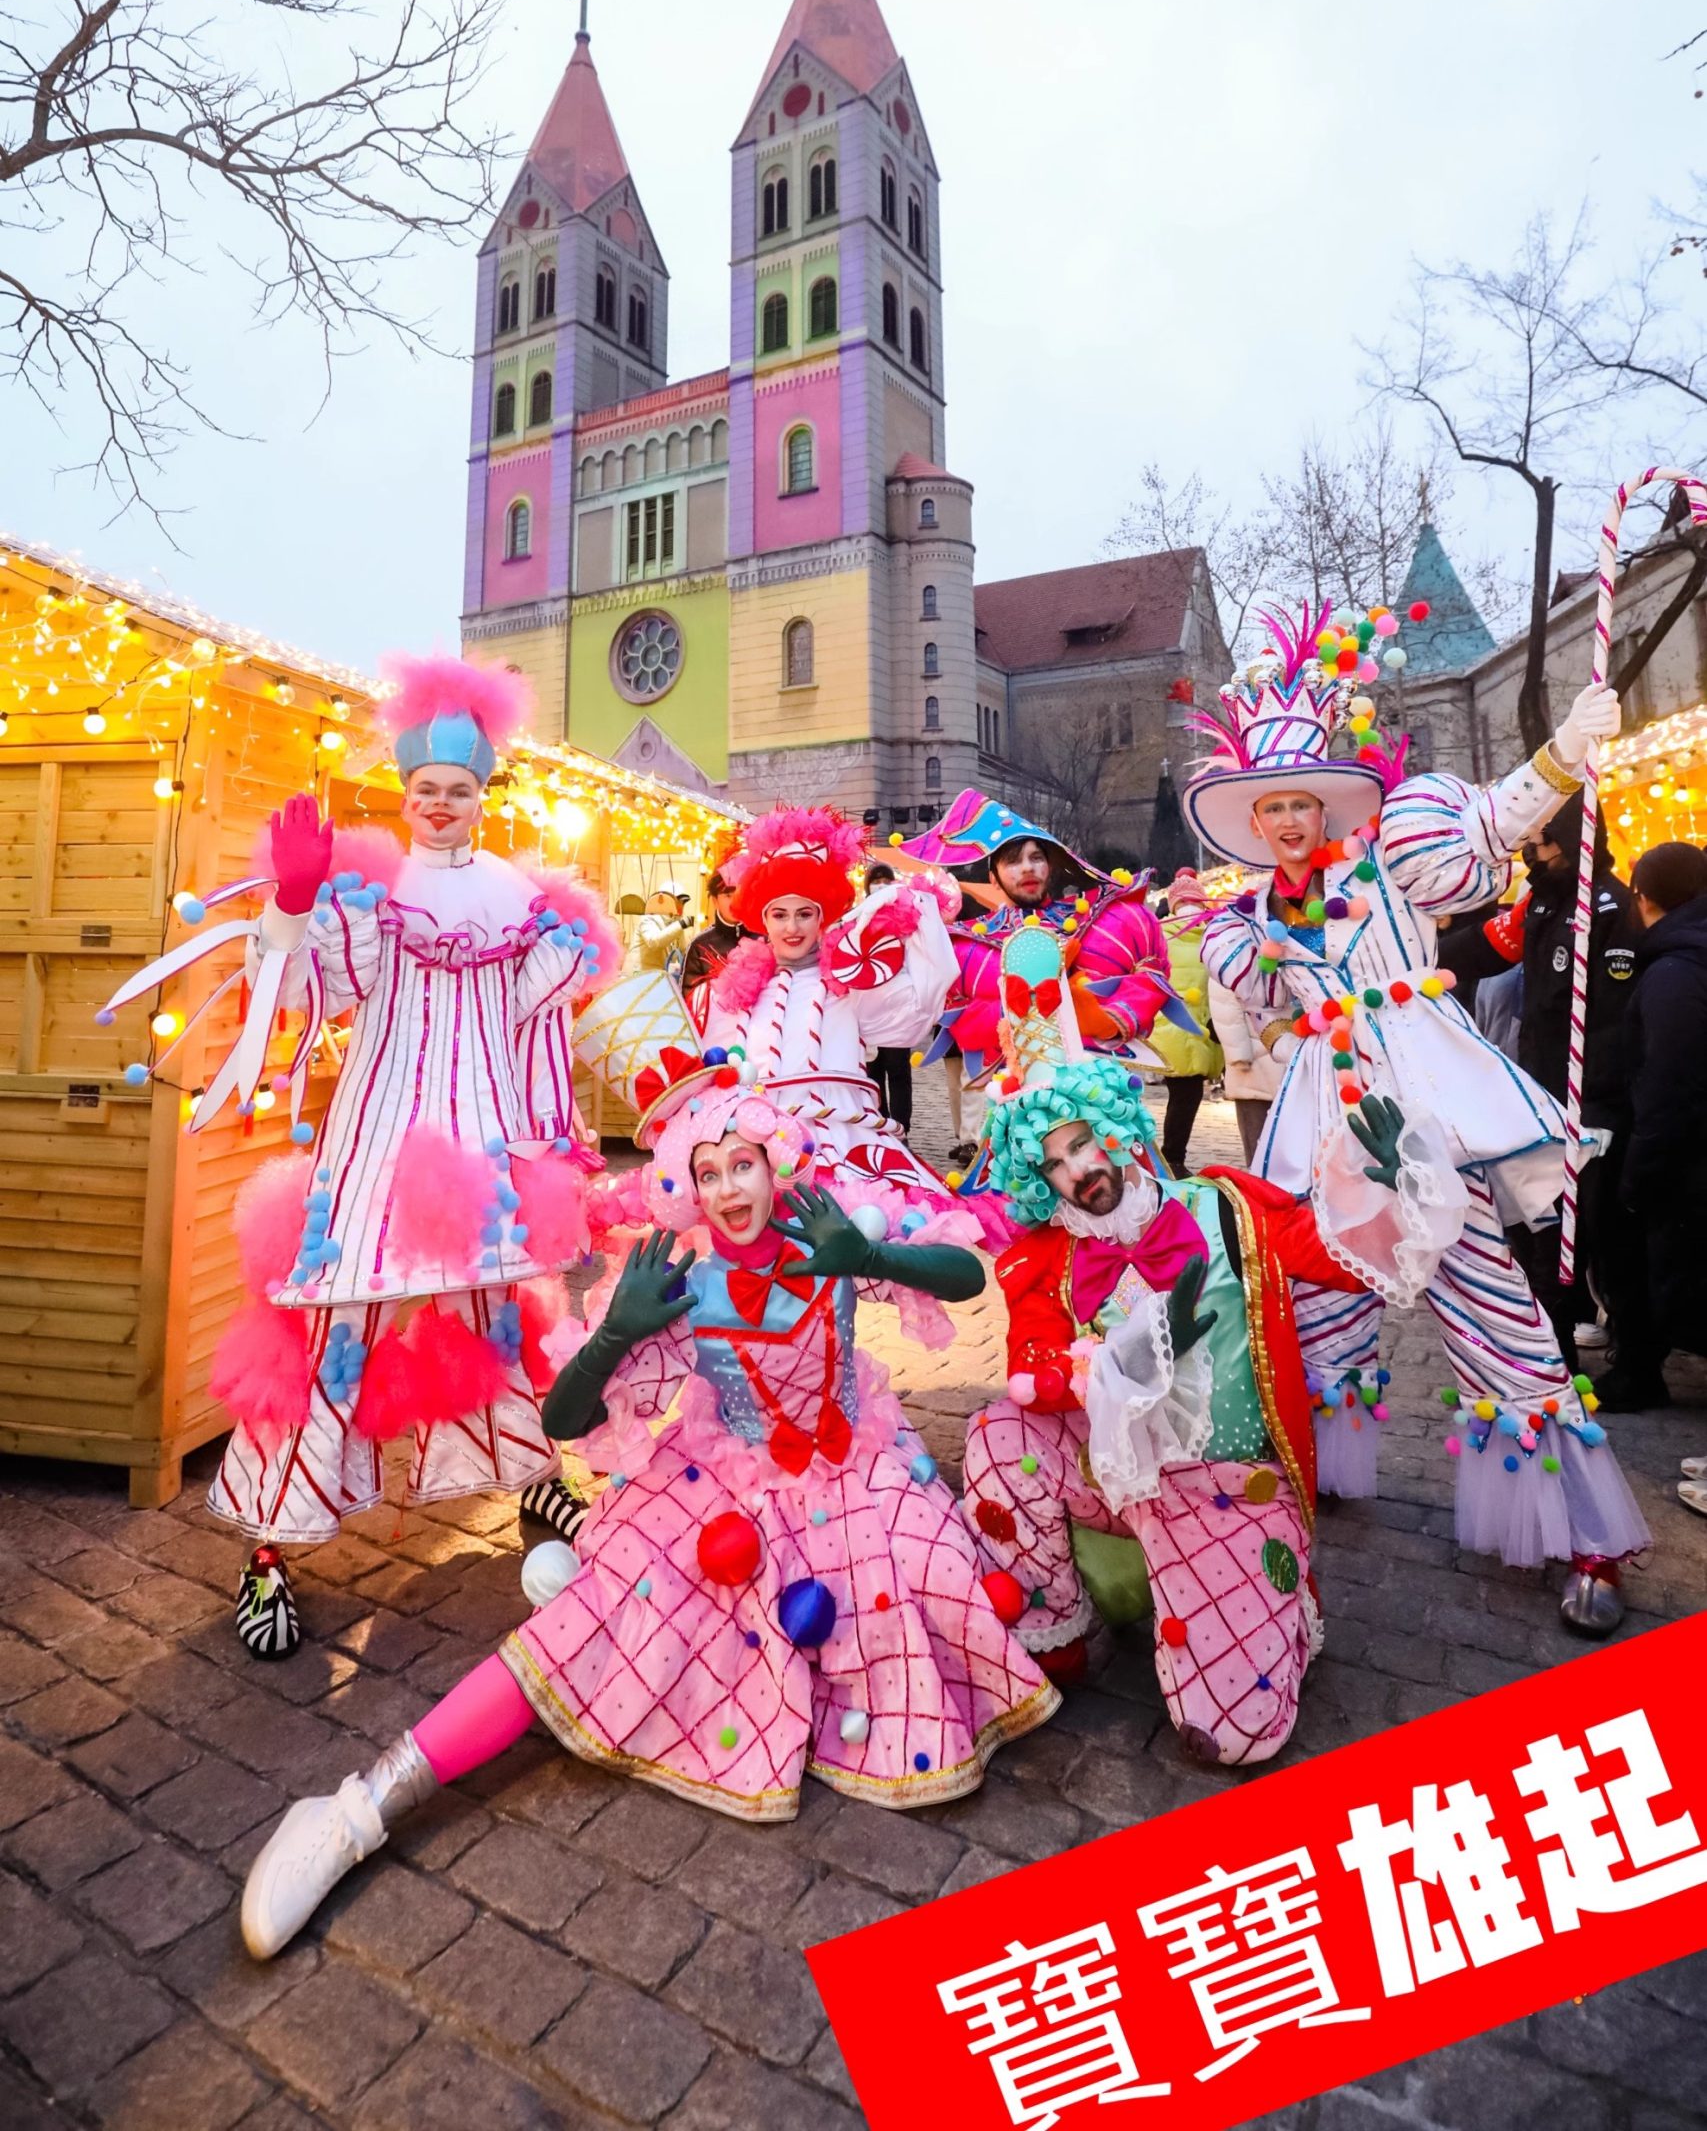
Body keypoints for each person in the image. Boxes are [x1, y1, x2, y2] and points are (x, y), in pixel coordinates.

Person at [237, 1082, 1058, 1957]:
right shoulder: (688, 1284)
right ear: (690, 1191)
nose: (731, 1189)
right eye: (709, 1174)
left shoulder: (832, 1225)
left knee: (925, 1587)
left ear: (776, 1167)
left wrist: (870, 1258)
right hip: (724, 1493)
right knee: (594, 1623)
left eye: (744, 1164)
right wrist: (612, 1336)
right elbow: (566, 1425)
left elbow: (968, 1276)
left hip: (858, 1473)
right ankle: (361, 1807)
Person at [99, 658, 611, 1655]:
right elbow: (308, 990)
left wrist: (575, 947)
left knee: (500, 1323)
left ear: (482, 795)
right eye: (427, 790)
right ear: (407, 794)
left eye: (461, 791)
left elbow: (540, 1004)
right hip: (378, 1152)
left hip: (488, 1154)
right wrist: (294, 901)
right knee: (332, 1336)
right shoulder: (374, 894)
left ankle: (539, 1488)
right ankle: (266, 1555)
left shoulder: (515, 894)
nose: (442, 805)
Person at [1192, 602, 1650, 1632]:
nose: (1291, 823)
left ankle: (1587, 1533)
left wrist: (1560, 757)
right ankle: (1308, 1479)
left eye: (1305, 803)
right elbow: (1260, 1014)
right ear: (1254, 820)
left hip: (1425, 1119)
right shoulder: (1250, 918)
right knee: (1314, 1315)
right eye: (1273, 809)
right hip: (1321, 1125)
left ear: (1332, 804)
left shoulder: (1393, 854)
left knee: (1492, 1309)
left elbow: (1490, 825)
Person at [962, 918, 1402, 1767]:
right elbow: (1031, 1370)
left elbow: (1345, 1257)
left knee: (1228, 1738)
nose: (1077, 1170)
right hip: (1118, 1479)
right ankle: (1064, 1618)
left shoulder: (1226, 1210)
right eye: (1052, 1163)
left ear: (1121, 1131)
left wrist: (1387, 1189)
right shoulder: (1050, 1259)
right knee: (998, 1438)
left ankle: (1257, 1614)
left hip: (1226, 1483)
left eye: (1084, 1142)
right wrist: (1111, 1366)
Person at [701, 806, 967, 1223]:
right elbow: (713, 1073)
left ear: (823, 916)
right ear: (762, 919)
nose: (792, 927)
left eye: (804, 913)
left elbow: (918, 1009)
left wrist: (915, 913)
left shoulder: (849, 984)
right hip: (755, 1151)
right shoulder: (738, 992)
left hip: (842, 1151)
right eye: (779, 914)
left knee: (837, 1260)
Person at [1503, 799, 1640, 1382]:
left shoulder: (1607, 906)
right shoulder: (1542, 901)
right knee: (1542, 1230)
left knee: (1590, 1235)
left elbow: (1614, 1015)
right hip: (1542, 1090)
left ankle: (1626, 1358)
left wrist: (1602, 1100)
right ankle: (1544, 1355)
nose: (1531, 852)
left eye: (1542, 840)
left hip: (1589, 1100)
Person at [894, 792, 1174, 1072]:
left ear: (1049, 867)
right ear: (994, 878)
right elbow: (963, 1021)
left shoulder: (1105, 918)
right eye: (1014, 860)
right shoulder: (968, 945)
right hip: (1020, 1088)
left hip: (1103, 1081)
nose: (1027, 867)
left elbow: (1150, 972)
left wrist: (1103, 1018)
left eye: (1036, 857)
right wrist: (1017, 1006)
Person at [1611, 840, 1707, 1414]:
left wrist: (1638, 1175)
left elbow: (1668, 1084)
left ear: (1642, 897)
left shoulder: (1674, 972)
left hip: (1688, 1166)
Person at [1149, 869, 1223, 1174]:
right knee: (1186, 1096)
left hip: (1168, 1027)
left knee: (1180, 1094)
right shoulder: (1212, 935)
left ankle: (1168, 1157)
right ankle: (1171, 1159)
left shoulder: (1158, 935)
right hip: (1197, 1028)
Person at [858, 863, 915, 1133]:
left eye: (885, 880)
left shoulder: (904, 917)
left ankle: (902, 1127)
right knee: (874, 1071)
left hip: (898, 1006)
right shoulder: (859, 917)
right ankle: (880, 1123)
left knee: (899, 1070)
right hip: (869, 1006)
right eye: (875, 880)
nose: (880, 884)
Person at [1206, 967, 1282, 1164]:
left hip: (1285, 1053)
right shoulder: (1232, 953)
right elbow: (1224, 1007)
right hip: (1252, 1063)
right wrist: (1238, 1055)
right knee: (1258, 1148)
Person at [682, 867, 746, 1016]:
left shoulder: (765, 940)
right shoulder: (700, 946)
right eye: (728, 895)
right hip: (715, 1034)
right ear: (715, 900)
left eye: (740, 894)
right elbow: (690, 1001)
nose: (735, 901)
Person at [635, 888, 690, 977]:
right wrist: (681, 924)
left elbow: (683, 950)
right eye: (679, 902)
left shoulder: (674, 923)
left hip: (657, 977)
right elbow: (654, 941)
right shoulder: (647, 920)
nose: (680, 907)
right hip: (640, 976)